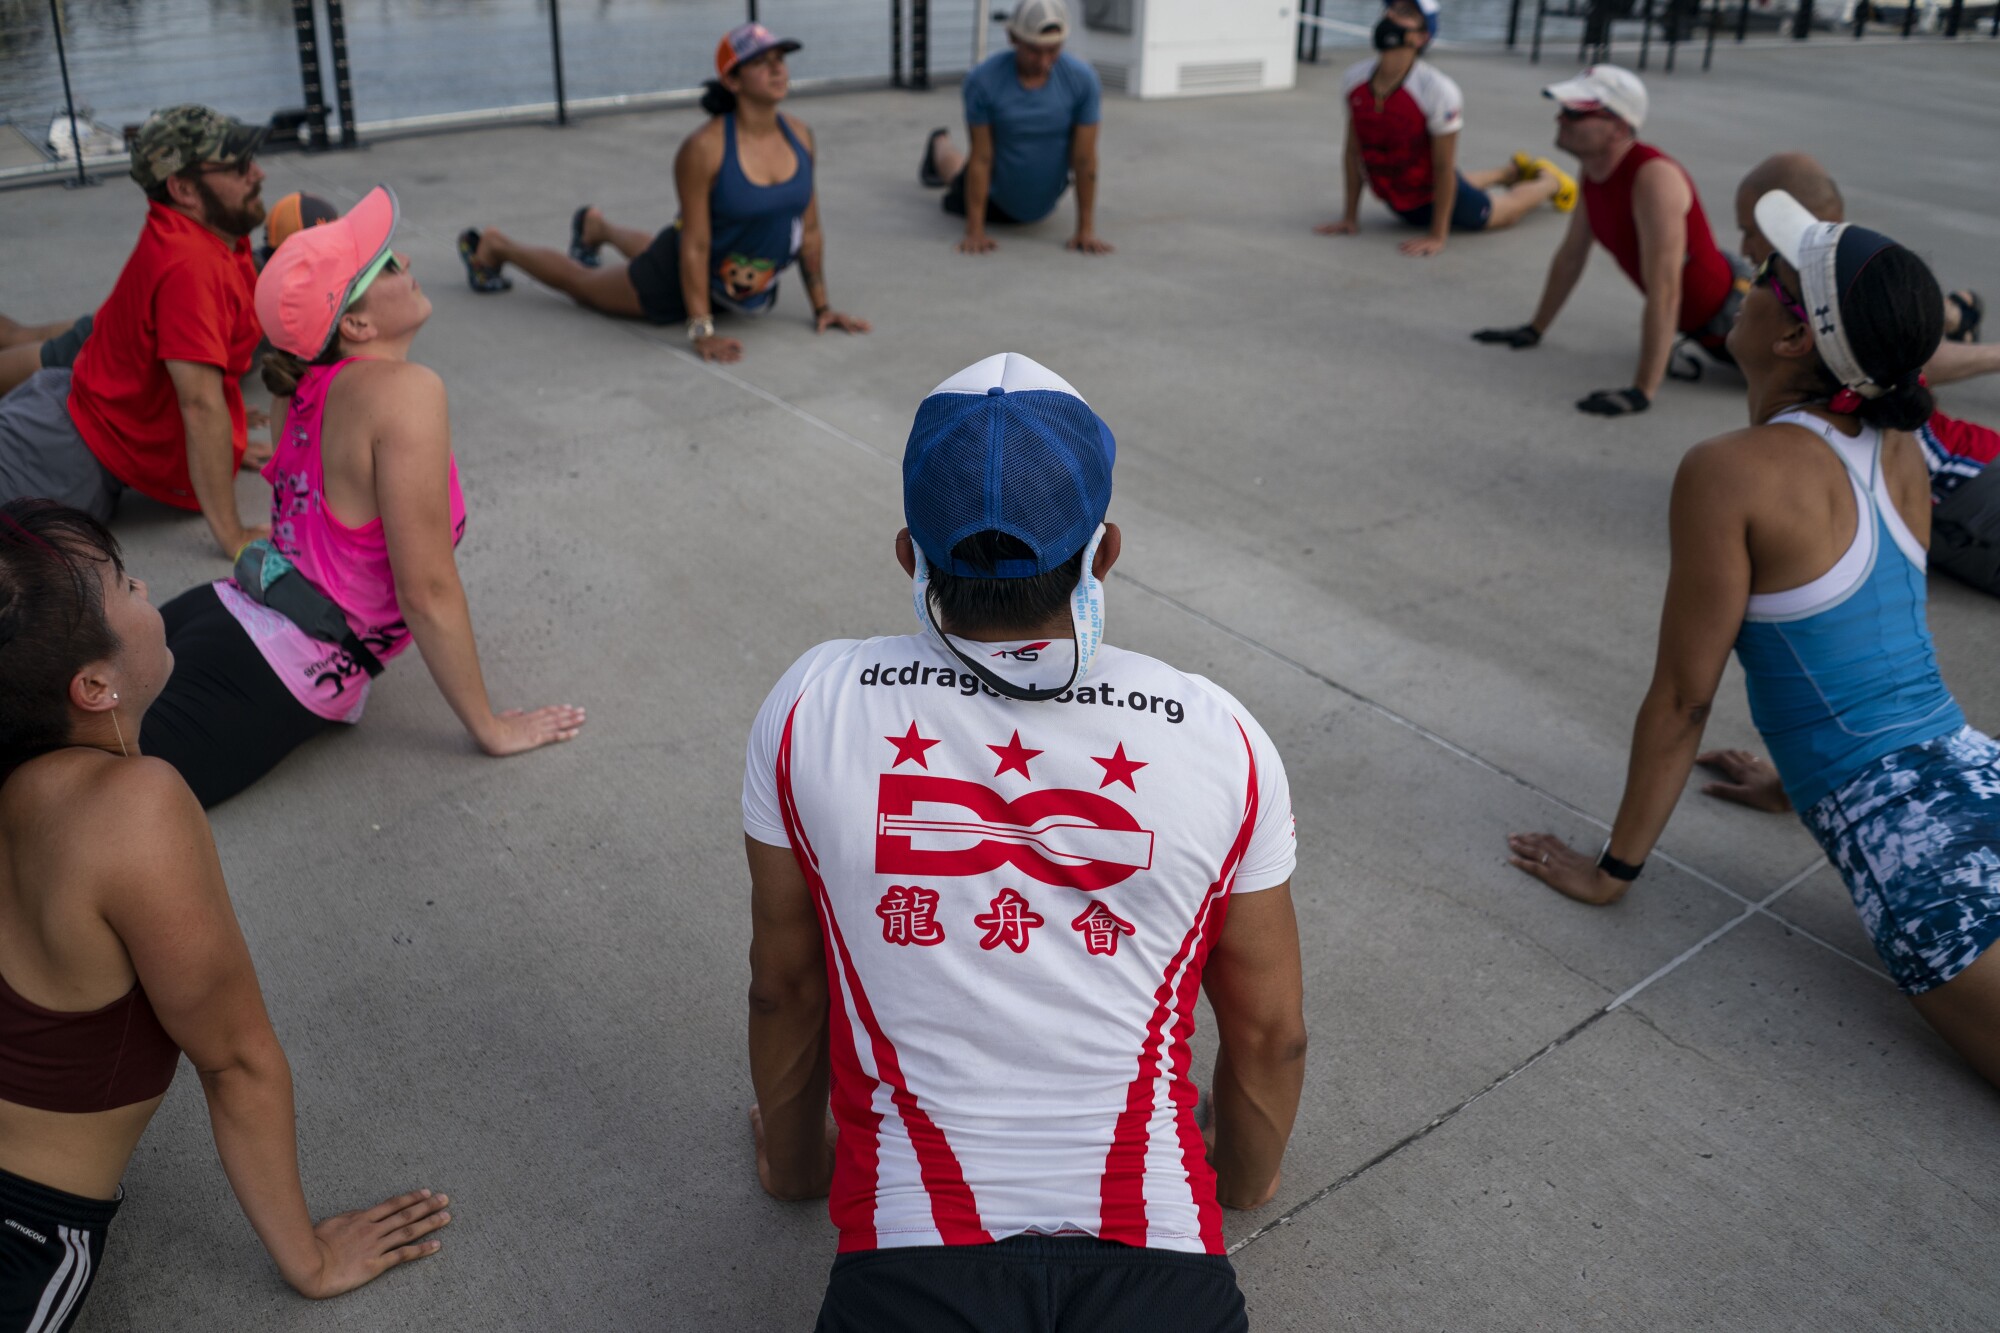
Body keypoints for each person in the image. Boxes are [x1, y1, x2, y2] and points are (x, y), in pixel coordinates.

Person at [742, 352, 1306, 1331]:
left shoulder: (811, 703)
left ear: (909, 556)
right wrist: (1245, 1181)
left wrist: (793, 1167)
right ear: (1105, 552)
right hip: (1161, 1255)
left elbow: (783, 987)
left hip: (905, 1256)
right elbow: (1269, 1033)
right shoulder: (1221, 735)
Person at [1505, 192, 2000, 1090]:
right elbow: (1878, 640)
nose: (1746, 278)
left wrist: (1613, 871)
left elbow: (1683, 699)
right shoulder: (1900, 446)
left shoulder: (1730, 469)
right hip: (1975, 768)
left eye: (1768, 274)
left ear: (1795, 337)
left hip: (1910, 845)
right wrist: (1794, 780)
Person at [0, 498, 453, 1329]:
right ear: (94, 685)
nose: (146, 587)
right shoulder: (133, 809)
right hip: (20, 1229)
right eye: (124, 583)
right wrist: (311, 1259)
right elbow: (237, 1061)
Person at [138, 186, 586, 808]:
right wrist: (490, 727)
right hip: (274, 663)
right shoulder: (405, 392)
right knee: (93, 800)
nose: (407, 262)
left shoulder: (298, 385)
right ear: (355, 324)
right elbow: (426, 591)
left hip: (227, 607)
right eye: (388, 264)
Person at [457, 24, 867, 365]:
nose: (777, 69)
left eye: (780, 59)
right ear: (732, 80)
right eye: (761, 62)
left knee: (661, 247)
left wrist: (823, 307)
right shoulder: (704, 149)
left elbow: (810, 230)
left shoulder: (800, 135)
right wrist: (701, 330)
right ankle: (497, 246)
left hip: (730, 283)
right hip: (674, 277)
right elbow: (694, 245)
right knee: (583, 284)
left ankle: (597, 228)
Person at [0, 105, 271, 556]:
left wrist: (228, 446)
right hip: (58, 456)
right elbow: (200, 404)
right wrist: (234, 535)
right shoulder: (191, 265)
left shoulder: (212, 233)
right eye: (238, 165)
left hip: (66, 416)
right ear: (184, 189)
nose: (257, 173)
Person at [1732, 152, 2000, 596]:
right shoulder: (1854, 343)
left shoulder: (1850, 358)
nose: (1744, 250)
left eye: (1763, 267)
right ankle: (1958, 310)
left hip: (1973, 487)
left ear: (1799, 335)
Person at [1472, 66, 1744, 417]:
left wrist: (1641, 392)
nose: (1560, 118)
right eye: (1563, 109)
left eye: (1575, 113)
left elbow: (1665, 291)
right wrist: (1534, 329)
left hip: (1737, 317)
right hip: (1700, 321)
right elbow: (1571, 256)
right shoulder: (1595, 169)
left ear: (1618, 127)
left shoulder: (1654, 177)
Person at [1315, 0, 1572, 257]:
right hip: (1400, 197)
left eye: (1404, 12)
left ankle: (1549, 181)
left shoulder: (1437, 90)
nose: (1390, 15)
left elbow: (1443, 167)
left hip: (1434, 199)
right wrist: (1349, 218)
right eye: (1390, 8)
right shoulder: (1354, 79)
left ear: (1421, 37)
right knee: (1451, 179)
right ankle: (1509, 172)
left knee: (1508, 211)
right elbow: (1353, 152)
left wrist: (1438, 235)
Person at [917, 0, 1111, 256]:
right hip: (994, 198)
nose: (1044, 62)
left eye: (1053, 50)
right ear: (1013, 37)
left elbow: (1085, 159)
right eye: (1034, 51)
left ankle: (941, 143)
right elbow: (982, 158)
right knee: (956, 176)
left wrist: (1085, 230)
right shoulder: (982, 81)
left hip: (1044, 197)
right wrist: (975, 231)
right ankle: (939, 142)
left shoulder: (1083, 80)